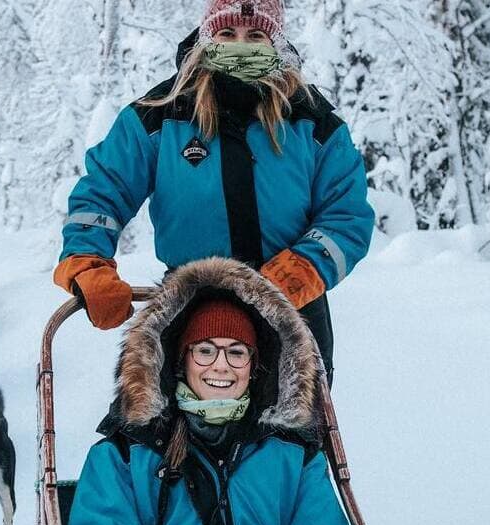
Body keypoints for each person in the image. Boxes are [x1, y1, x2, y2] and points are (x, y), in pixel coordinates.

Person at [53, 0, 374, 379]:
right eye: (227, 33)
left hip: (291, 306)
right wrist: (89, 261)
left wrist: (302, 270)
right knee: (155, 425)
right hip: (189, 300)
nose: (241, 44)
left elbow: (346, 216)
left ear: (276, 42)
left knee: (296, 430)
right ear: (207, 37)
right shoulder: (160, 114)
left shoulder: (314, 123)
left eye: (255, 35)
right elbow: (103, 191)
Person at [64, 257, 365, 525]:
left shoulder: (294, 456)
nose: (221, 366)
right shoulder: (124, 455)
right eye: (205, 351)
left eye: (236, 352)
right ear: (181, 361)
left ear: (254, 366)